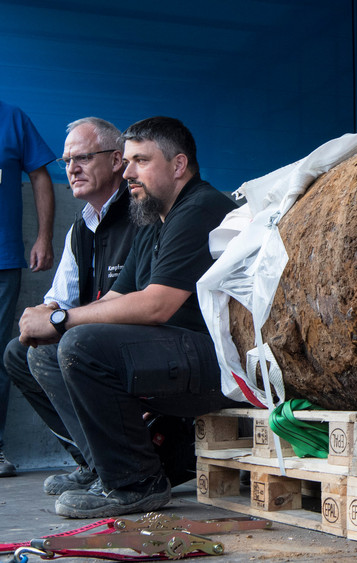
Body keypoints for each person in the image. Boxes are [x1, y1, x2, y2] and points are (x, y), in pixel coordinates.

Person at [18, 116, 239, 518]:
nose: (128, 171)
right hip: (180, 355)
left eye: (140, 160)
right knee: (45, 352)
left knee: (80, 343)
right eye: (128, 161)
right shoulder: (152, 218)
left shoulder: (200, 207)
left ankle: (136, 484)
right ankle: (108, 469)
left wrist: (60, 322)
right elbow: (120, 297)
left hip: (222, 365)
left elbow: (157, 305)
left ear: (178, 165)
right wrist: (56, 321)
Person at [4, 117, 135, 486]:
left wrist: (59, 320)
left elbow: (145, 305)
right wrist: (41, 318)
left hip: (140, 342)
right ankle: (93, 463)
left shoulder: (140, 213)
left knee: (56, 349)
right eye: (66, 161)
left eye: (83, 158)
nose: (72, 169)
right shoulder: (82, 225)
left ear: (115, 161)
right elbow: (55, 300)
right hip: (97, 339)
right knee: (19, 352)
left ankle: (120, 471)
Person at [0, 100, 56, 477]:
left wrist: (44, 236)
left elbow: (40, 176)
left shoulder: (12, 117)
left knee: (1, 355)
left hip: (2, 260)